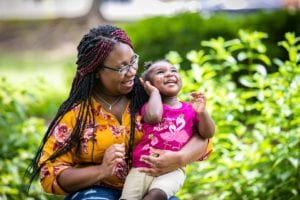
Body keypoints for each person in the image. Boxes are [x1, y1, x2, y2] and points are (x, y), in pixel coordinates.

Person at [26, 24, 212, 200]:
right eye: (122, 67)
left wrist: (180, 158)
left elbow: (202, 137)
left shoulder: (152, 97)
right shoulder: (77, 115)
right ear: (97, 71)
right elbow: (51, 173)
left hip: (152, 189)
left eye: (133, 61)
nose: (131, 72)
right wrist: (101, 170)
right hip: (97, 191)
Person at [120, 60, 215, 200]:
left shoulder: (190, 109)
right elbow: (153, 117)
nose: (169, 74)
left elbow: (208, 133)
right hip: (142, 166)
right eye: (160, 72)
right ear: (148, 84)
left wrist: (202, 112)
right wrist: (154, 93)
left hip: (174, 168)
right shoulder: (149, 106)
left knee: (157, 195)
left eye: (173, 70)